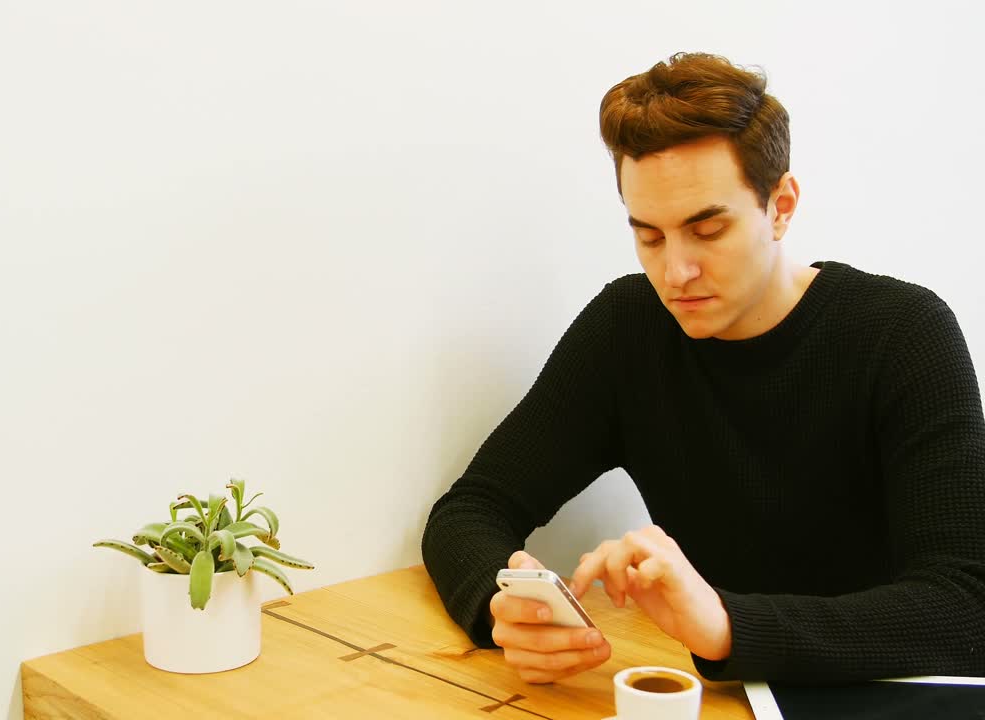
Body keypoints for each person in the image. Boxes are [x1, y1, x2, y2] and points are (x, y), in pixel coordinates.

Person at [421, 52, 985, 685]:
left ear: (781, 205)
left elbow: (966, 606)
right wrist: (506, 605)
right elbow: (470, 509)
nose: (675, 273)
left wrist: (725, 625)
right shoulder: (627, 328)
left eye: (708, 230)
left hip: (887, 697)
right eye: (650, 237)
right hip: (713, 696)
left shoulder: (904, 333)